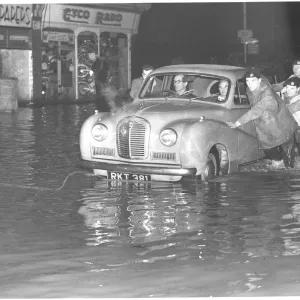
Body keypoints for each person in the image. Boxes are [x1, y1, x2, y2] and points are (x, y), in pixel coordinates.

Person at [226, 67, 298, 168]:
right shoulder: (249, 89)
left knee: (289, 162)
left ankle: (290, 176)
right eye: (247, 81)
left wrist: (237, 123)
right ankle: (279, 163)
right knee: (269, 151)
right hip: (268, 128)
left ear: (259, 81)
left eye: (253, 81)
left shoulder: (266, 94)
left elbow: (256, 110)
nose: (250, 84)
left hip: (284, 127)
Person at [282, 77, 300, 151]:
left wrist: (281, 94)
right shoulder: (290, 98)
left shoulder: (298, 101)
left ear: (298, 89)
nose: (289, 91)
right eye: (287, 87)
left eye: (292, 88)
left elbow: (284, 112)